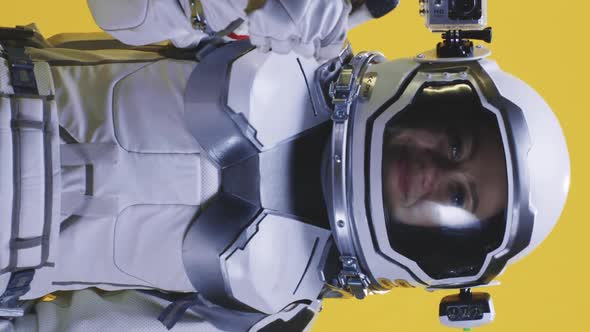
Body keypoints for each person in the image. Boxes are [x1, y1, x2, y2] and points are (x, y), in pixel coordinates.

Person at [0, 0, 569, 331]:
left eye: (459, 199)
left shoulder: (267, 309)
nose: (433, 178)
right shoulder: (303, 36)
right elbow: (131, 9)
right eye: (455, 149)